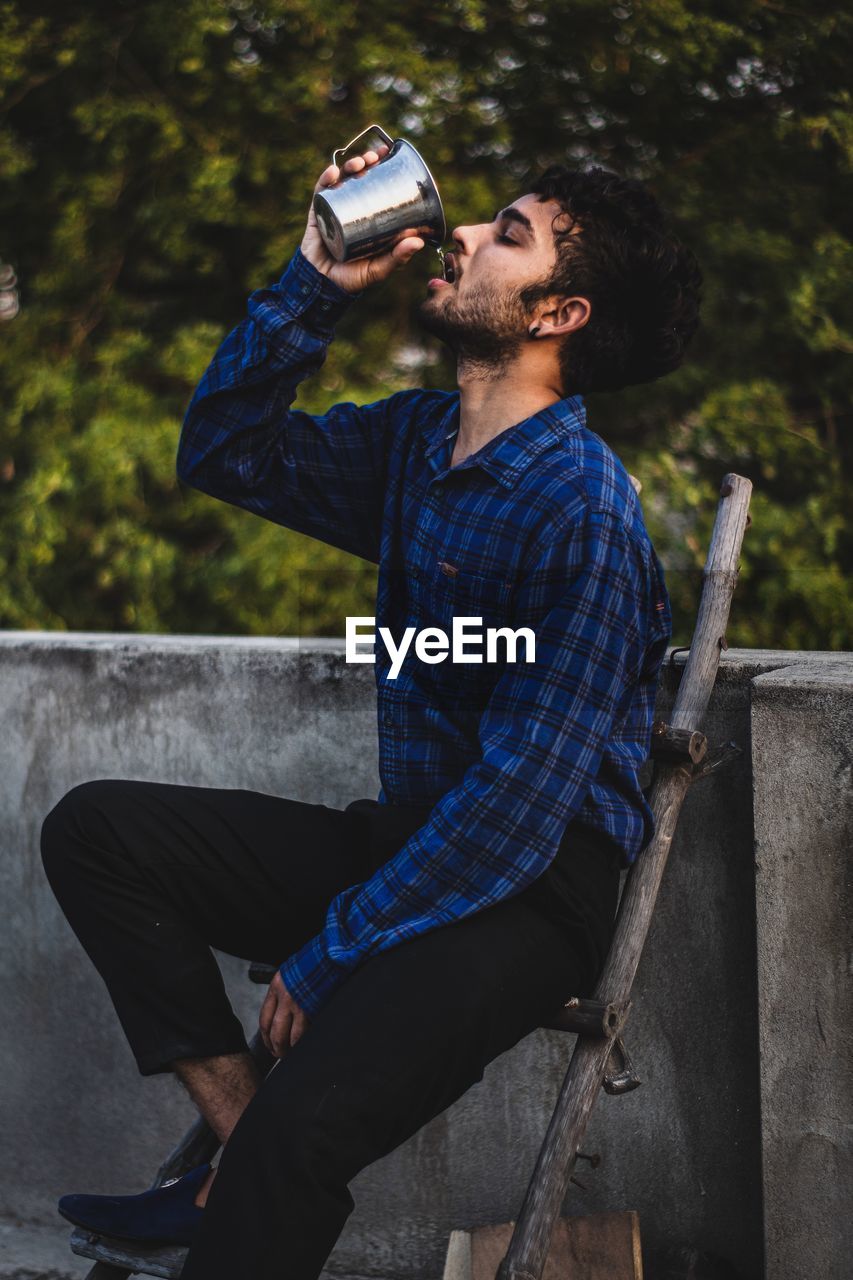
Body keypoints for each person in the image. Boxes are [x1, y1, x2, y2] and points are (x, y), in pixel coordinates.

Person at [40, 141, 701, 1280]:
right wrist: (313, 272)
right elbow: (224, 453)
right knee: (100, 830)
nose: (464, 238)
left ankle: (256, 1163)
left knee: (312, 1136)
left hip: (534, 888)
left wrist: (335, 945)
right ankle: (234, 1146)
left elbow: (518, 803)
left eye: (508, 232)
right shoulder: (413, 444)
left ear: (560, 310)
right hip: (422, 840)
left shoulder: (582, 511)